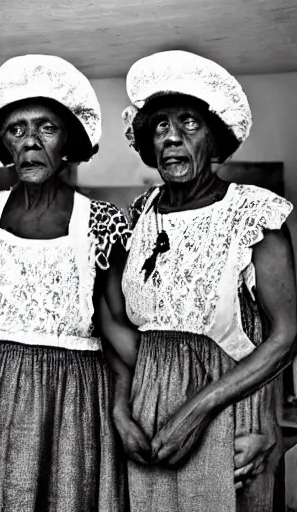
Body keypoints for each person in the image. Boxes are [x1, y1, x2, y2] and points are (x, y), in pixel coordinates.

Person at [0, 54, 130, 511]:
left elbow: (116, 326)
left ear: (68, 140)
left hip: (72, 402)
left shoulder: (101, 222)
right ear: (3, 145)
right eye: (16, 130)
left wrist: (137, 400)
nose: (30, 143)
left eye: (45, 128)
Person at [116, 49, 297, 511]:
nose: (172, 138)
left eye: (189, 124)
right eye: (160, 127)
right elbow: (124, 329)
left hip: (227, 412)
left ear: (214, 140)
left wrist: (197, 414)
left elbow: (286, 334)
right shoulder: (141, 214)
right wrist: (125, 410)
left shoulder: (253, 213)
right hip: (151, 418)